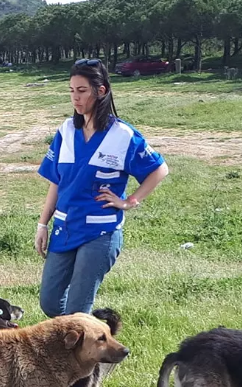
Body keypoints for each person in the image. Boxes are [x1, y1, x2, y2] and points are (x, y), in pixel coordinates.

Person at [35, 58, 169, 318]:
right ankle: (89, 335)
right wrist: (42, 225)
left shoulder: (122, 135)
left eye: (82, 90)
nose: (75, 98)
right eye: (71, 91)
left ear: (101, 91)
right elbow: (56, 181)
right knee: (50, 303)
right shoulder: (65, 130)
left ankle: (82, 348)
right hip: (64, 228)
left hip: (100, 231)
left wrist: (130, 201)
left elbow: (159, 169)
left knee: (77, 310)